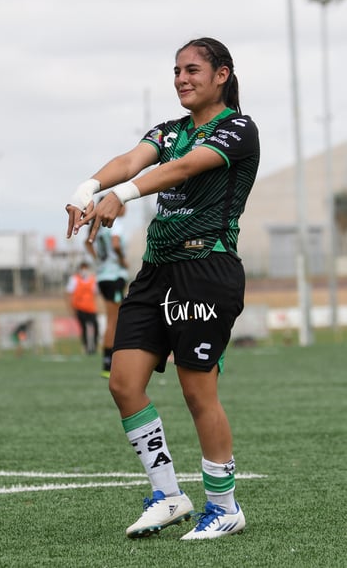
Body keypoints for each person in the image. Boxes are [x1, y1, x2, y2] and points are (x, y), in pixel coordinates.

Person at [65, 37, 260, 541]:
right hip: (156, 274)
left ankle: (225, 507)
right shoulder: (169, 129)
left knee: (198, 390)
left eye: (192, 69)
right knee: (123, 383)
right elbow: (134, 159)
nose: (181, 79)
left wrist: (121, 196)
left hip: (207, 268)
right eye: (176, 71)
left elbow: (181, 168)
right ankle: (169, 495)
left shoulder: (238, 128)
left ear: (222, 74)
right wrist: (85, 190)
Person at [85, 201, 128, 378]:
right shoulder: (115, 224)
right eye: (123, 203)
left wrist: (99, 261)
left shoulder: (99, 226)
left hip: (103, 276)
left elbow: (88, 243)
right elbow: (116, 244)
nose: (125, 207)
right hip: (114, 276)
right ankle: (108, 364)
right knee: (114, 321)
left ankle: (108, 363)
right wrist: (121, 259)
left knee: (113, 319)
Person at [65, 261, 99, 355]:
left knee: (95, 326)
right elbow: (68, 294)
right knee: (84, 328)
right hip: (80, 308)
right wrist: (71, 308)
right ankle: (86, 347)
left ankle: (94, 346)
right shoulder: (74, 279)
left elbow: (95, 293)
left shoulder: (92, 279)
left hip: (91, 308)